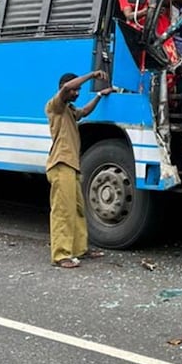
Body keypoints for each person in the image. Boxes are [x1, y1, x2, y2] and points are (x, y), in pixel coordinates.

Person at [45, 70, 114, 268]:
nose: (76, 93)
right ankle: (61, 255)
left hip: (72, 166)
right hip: (60, 164)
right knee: (63, 211)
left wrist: (100, 96)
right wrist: (92, 75)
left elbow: (84, 112)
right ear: (62, 89)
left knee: (77, 210)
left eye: (79, 90)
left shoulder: (69, 110)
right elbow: (67, 87)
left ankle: (79, 249)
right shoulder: (54, 106)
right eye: (75, 90)